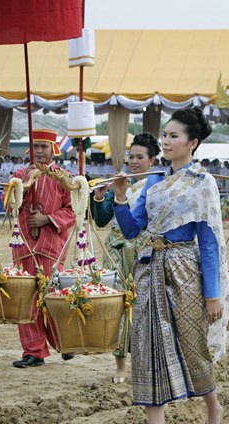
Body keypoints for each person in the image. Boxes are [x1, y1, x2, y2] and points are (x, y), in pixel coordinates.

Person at [113, 108, 229, 424]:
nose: (166, 141)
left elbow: (209, 243)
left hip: (185, 270)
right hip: (149, 269)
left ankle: (213, 409)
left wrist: (212, 294)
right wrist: (120, 198)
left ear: (192, 143)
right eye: (164, 135)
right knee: (147, 348)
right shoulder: (153, 180)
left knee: (192, 346)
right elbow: (133, 230)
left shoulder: (202, 183)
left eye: (174, 136)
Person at [91, 133, 160, 384]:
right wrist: (99, 196)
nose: (134, 161)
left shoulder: (157, 185)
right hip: (116, 252)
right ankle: (121, 366)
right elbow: (100, 220)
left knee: (145, 306)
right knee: (118, 306)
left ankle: (146, 363)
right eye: (131, 156)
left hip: (144, 252)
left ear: (152, 160)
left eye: (139, 157)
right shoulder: (120, 181)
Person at [9, 128, 75, 369]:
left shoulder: (63, 177)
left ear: (53, 149)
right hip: (24, 244)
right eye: (35, 146)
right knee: (26, 298)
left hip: (50, 245)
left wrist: (46, 219)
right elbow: (9, 205)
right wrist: (25, 185)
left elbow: (72, 210)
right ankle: (34, 351)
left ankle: (64, 342)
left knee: (49, 296)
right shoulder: (18, 174)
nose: (39, 151)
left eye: (44, 147)